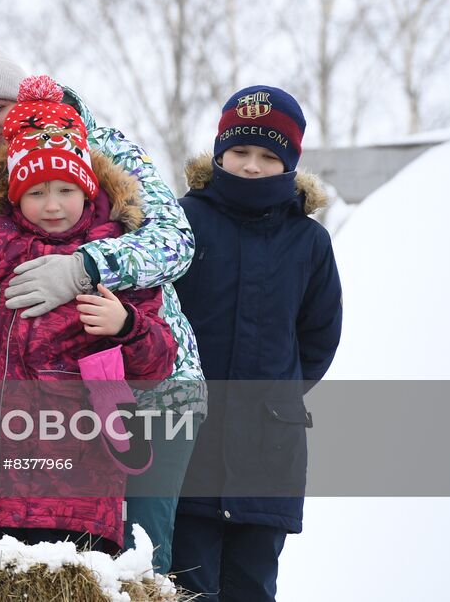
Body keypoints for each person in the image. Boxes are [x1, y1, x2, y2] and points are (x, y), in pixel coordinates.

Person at [0, 31, 205, 570]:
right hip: (26, 424)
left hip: (150, 394)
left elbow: (176, 243)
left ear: (25, 103)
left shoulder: (103, 151)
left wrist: (84, 268)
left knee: (136, 561)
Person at [169, 87, 342, 601]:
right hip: (188, 446)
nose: (251, 166)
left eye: (268, 156)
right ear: (219, 152)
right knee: (185, 585)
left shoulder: (309, 242)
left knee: (251, 586)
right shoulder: (183, 223)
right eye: (240, 151)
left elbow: (318, 338)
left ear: (289, 165)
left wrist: (275, 397)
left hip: (270, 454)